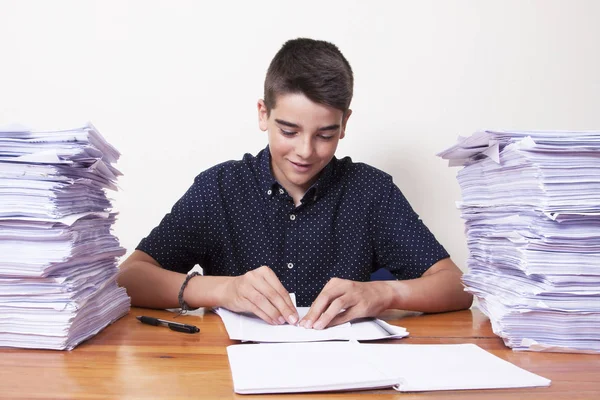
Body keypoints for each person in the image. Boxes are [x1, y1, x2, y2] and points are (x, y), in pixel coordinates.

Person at [117, 38, 472, 330]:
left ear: (345, 124)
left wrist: (385, 294)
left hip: (348, 371)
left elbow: (458, 287)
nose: (305, 151)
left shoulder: (371, 192)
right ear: (262, 113)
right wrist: (224, 289)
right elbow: (130, 277)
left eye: (325, 134)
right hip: (229, 373)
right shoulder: (220, 188)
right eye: (289, 131)